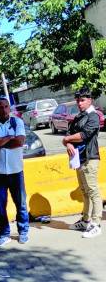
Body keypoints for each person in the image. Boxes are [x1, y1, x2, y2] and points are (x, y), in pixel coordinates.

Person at [0, 97, 29, 247]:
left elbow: (20, 142)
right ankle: (4, 233)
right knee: (0, 205)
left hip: (16, 171)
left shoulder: (18, 122)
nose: (3, 109)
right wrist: (9, 137)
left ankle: (23, 231)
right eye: (0, 107)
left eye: (6, 106)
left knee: (20, 203)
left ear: (10, 108)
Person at [63, 88, 102, 238]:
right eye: (78, 100)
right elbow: (68, 135)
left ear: (90, 100)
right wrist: (68, 144)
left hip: (90, 158)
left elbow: (84, 135)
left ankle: (96, 224)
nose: (79, 103)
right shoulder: (78, 117)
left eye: (82, 100)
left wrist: (68, 139)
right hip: (78, 160)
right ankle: (85, 220)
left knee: (93, 191)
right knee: (85, 192)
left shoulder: (94, 116)